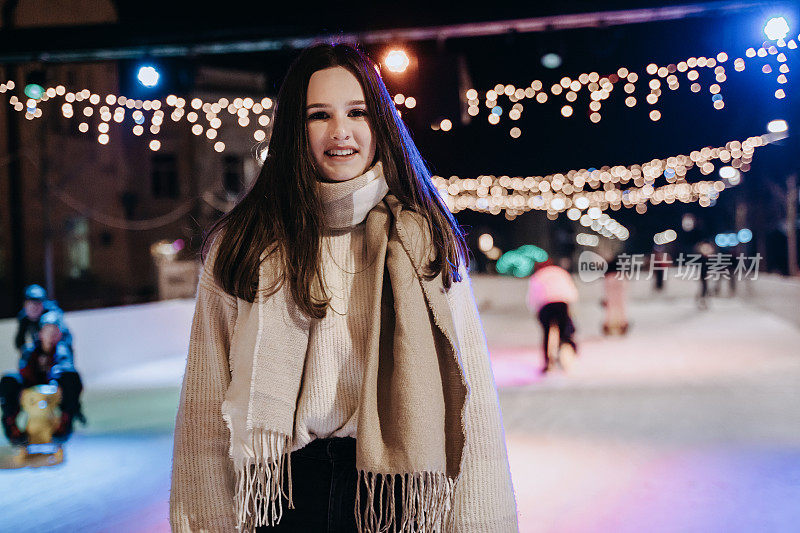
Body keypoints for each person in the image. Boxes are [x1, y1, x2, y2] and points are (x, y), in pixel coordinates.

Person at [170, 43, 518, 533]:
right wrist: (205, 521)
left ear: (379, 124)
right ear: (295, 128)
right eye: (318, 115)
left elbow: (472, 396)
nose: (341, 132)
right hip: (285, 495)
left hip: (396, 492)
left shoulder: (424, 239)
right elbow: (206, 402)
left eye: (358, 112)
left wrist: (486, 521)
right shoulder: (244, 242)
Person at [1, 311, 85, 446]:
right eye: (48, 331)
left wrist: (53, 374)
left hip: (54, 391)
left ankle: (65, 423)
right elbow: (23, 372)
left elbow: (65, 369)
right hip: (31, 390)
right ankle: (11, 426)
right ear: (41, 333)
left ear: (59, 335)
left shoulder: (62, 350)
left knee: (71, 377)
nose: (51, 336)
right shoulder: (30, 350)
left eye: (54, 332)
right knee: (9, 380)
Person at [526, 259, 579, 373]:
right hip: (561, 303)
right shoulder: (560, 272)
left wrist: (535, 310)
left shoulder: (537, 276)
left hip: (545, 305)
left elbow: (533, 296)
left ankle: (547, 362)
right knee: (563, 332)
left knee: (546, 334)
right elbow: (571, 291)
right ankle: (565, 356)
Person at [15, 283, 74, 355]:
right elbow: (20, 341)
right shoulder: (24, 317)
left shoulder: (51, 317)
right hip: (39, 347)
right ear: (25, 304)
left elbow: (62, 339)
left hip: (58, 350)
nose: (34, 307)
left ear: (43, 304)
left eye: (38, 303)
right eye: (31, 303)